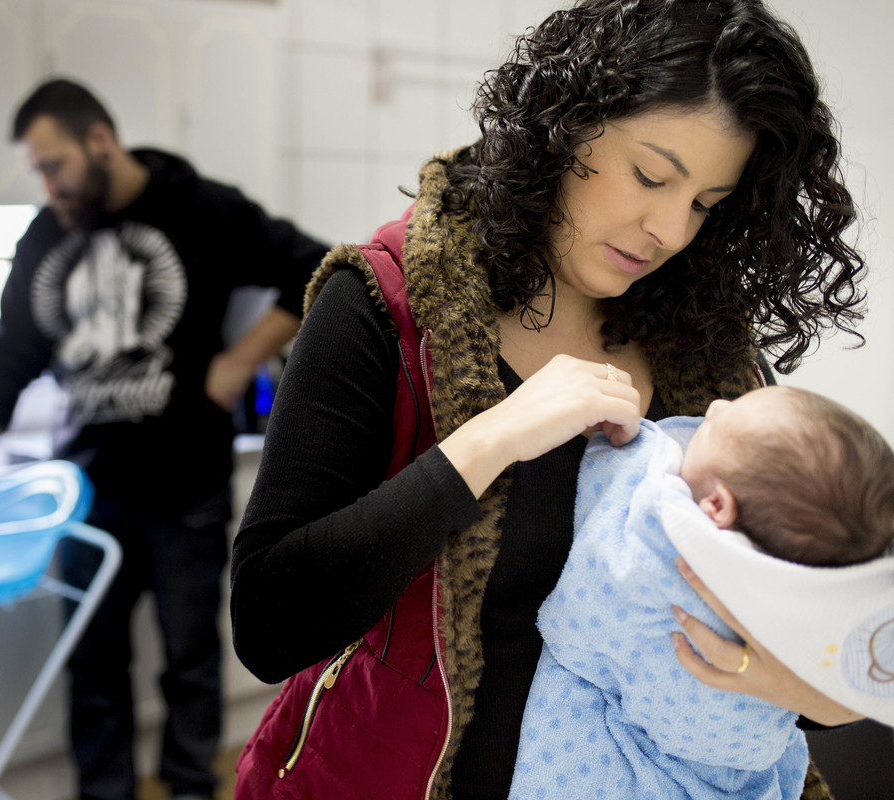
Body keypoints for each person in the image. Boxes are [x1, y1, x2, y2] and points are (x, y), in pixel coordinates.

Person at [228, 1, 870, 798]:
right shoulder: (383, 306)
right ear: (566, 129)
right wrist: (488, 441)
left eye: (705, 203)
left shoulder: (706, 346)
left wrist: (815, 694)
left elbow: (802, 618)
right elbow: (267, 623)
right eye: (651, 175)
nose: (669, 228)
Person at [0, 79, 329, 800]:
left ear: (100, 142)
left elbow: (313, 265)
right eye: (38, 171)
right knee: (92, 664)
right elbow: (9, 358)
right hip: (86, 490)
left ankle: (188, 789)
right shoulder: (48, 236)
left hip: (186, 482)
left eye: (53, 165)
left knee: (189, 660)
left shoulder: (202, 207)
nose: (48, 186)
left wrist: (238, 363)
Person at [509, 386, 894, 800]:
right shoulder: (813, 592)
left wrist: (627, 448)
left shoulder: (654, 538)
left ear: (715, 506)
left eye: (719, 424)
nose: (713, 405)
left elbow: (601, 577)